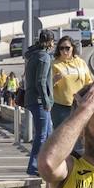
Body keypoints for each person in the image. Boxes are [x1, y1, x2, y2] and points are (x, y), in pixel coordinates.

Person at [24, 30, 56, 176]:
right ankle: (34, 166)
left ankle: (48, 164)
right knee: (42, 135)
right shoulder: (44, 57)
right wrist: (46, 101)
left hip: (33, 99)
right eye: (53, 41)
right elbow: (41, 81)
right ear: (49, 42)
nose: (54, 44)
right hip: (39, 101)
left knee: (49, 133)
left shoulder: (35, 54)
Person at [50, 35, 94, 129]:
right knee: (61, 138)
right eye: (61, 48)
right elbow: (47, 87)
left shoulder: (81, 62)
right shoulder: (54, 65)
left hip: (80, 106)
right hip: (62, 108)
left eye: (67, 48)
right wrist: (53, 81)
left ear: (73, 48)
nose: (64, 51)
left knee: (81, 137)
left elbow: (89, 82)